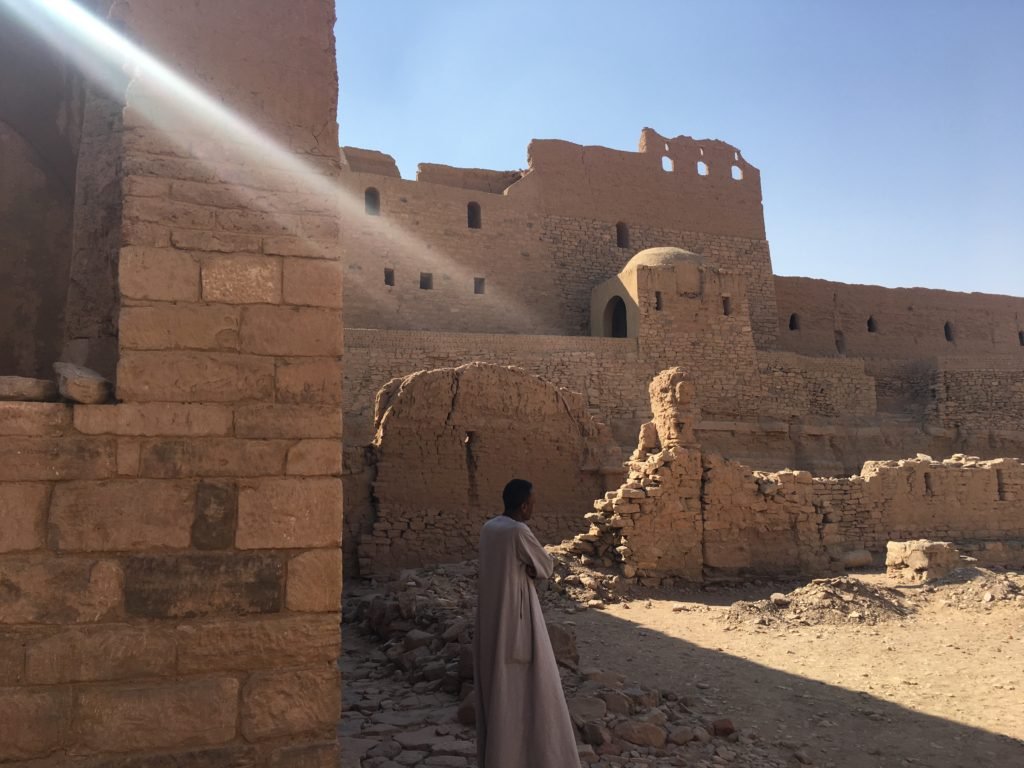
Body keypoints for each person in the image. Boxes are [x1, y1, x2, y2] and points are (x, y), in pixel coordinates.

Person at [473, 478, 580, 768]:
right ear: (523, 505)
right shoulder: (518, 530)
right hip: (518, 623)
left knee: (498, 693)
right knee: (529, 692)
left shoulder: (489, 528)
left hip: (492, 623)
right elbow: (545, 566)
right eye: (532, 503)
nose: (534, 508)